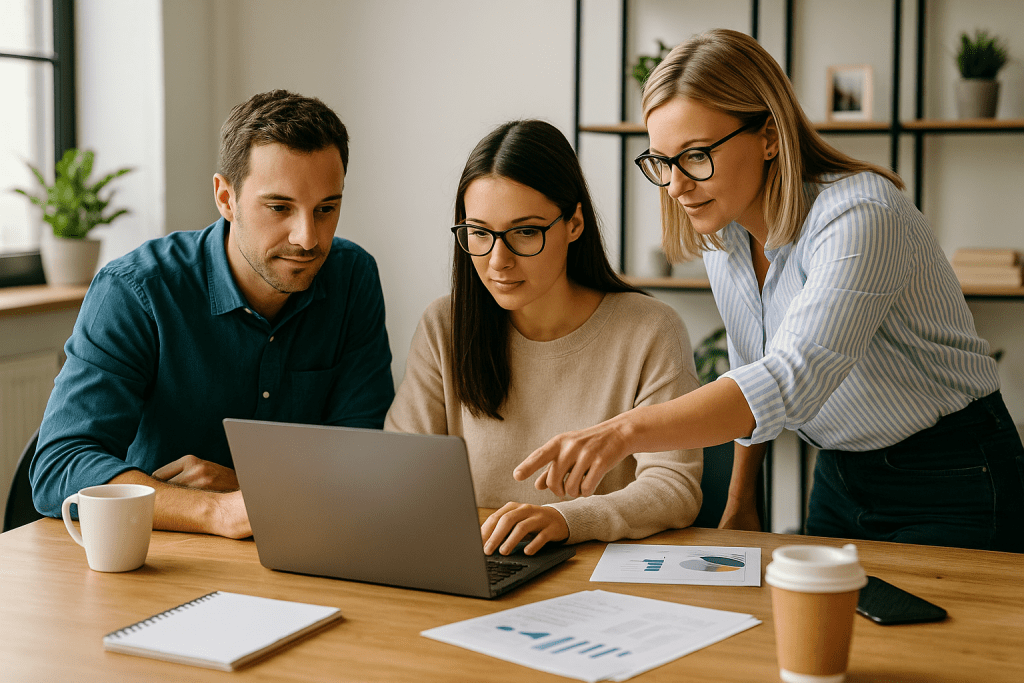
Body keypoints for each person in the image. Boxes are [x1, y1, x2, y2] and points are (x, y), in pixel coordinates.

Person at [514, 29, 1024, 553]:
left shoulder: (860, 215)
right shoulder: (723, 232)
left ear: (770, 136)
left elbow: (791, 377)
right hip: (839, 475)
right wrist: (741, 497)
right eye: (663, 162)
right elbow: (752, 363)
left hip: (954, 472)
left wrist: (622, 433)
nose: (676, 186)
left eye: (694, 155)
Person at [31, 90, 395, 538]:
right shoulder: (135, 291)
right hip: (164, 559)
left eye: (326, 209)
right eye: (279, 207)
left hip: (302, 545)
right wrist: (215, 511)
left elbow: (361, 461)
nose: (307, 238)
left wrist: (249, 490)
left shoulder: (352, 277)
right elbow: (58, 466)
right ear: (226, 198)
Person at [385, 119, 702, 555]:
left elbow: (674, 488)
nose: (498, 261)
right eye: (479, 233)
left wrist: (564, 519)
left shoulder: (649, 329)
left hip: (597, 575)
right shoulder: (444, 326)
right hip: (477, 563)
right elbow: (400, 473)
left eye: (525, 232)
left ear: (574, 223)